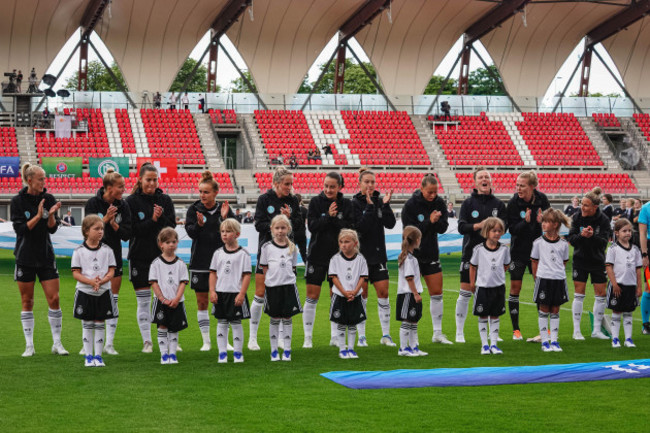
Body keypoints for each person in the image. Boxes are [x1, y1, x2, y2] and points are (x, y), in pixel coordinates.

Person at [11, 163, 67, 357]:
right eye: (41, 178)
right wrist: (37, 215)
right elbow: (21, 230)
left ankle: (57, 343)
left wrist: (50, 216)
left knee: (55, 298)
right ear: (30, 180)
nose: (45, 182)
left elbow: (52, 228)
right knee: (27, 301)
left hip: (45, 255)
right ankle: (29, 346)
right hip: (25, 256)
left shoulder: (49, 198)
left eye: (45, 178)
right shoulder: (17, 201)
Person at [249, 166, 302, 350]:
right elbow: (259, 224)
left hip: (286, 252)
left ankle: (281, 338)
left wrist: (289, 218)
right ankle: (252, 337)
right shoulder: (265, 199)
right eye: (287, 184)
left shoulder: (293, 200)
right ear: (277, 183)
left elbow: (298, 224)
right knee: (260, 293)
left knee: (283, 295)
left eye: (291, 183)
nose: (290, 187)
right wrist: (278, 223)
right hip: (267, 251)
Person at [126, 162, 176, 353]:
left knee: (166, 298)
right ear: (140, 179)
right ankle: (147, 341)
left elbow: (172, 228)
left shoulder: (165, 199)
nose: (152, 183)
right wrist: (152, 220)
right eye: (148, 180)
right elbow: (131, 231)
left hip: (163, 259)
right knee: (144, 301)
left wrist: (161, 218)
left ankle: (170, 337)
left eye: (155, 180)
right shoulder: (130, 202)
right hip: (139, 257)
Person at [302, 172, 354, 348]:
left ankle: (335, 336)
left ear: (340, 187)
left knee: (336, 296)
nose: (328, 189)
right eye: (326, 186)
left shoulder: (346, 204)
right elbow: (312, 226)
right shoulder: (316, 202)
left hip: (338, 259)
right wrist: (327, 216)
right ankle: (308, 337)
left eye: (332, 186)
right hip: (316, 256)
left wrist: (334, 219)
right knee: (312, 296)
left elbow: (349, 228)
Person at [455, 167, 507, 343]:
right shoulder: (468, 204)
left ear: (490, 181)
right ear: (475, 182)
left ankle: (493, 333)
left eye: (487, 177)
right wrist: (479, 225)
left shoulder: (498, 205)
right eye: (481, 177)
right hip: (471, 253)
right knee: (465, 292)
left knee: (492, 292)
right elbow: (462, 227)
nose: (484, 179)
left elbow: (504, 227)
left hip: (493, 256)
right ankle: (459, 332)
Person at [184, 171, 234, 351]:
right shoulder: (194, 209)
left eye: (206, 192)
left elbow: (233, 233)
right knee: (202, 302)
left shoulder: (225, 209)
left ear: (215, 193)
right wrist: (199, 225)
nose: (202, 195)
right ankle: (206, 341)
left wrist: (224, 218)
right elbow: (191, 233)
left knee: (223, 302)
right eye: (200, 192)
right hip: (200, 261)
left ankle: (224, 340)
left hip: (222, 263)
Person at [84, 168, 132, 355]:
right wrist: (104, 220)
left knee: (112, 299)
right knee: (91, 298)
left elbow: (127, 235)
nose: (123, 189)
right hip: (93, 257)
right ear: (109, 187)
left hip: (113, 256)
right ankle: (87, 343)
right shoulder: (92, 203)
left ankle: (109, 344)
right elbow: (88, 232)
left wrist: (113, 224)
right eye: (120, 187)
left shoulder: (124, 206)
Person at [401, 173, 451, 345]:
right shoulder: (410, 205)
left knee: (437, 293)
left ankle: (437, 333)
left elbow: (444, 227)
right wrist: (429, 221)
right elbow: (409, 232)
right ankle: (407, 332)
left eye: (435, 192)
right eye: (429, 192)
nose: (433, 195)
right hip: (413, 256)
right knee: (411, 294)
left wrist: (436, 222)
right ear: (421, 188)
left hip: (431, 254)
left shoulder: (439, 203)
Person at [352, 168, 396, 346]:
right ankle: (361, 336)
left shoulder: (380, 200)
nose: (370, 185)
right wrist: (370, 208)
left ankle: (386, 335)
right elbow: (359, 228)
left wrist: (385, 206)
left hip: (378, 256)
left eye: (372, 182)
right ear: (360, 183)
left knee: (384, 293)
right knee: (362, 295)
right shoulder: (354, 203)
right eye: (366, 182)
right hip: (361, 257)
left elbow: (391, 224)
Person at [506, 171, 550, 340]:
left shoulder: (542, 199)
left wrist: (542, 223)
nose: (518, 188)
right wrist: (525, 222)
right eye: (517, 185)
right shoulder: (513, 203)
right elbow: (511, 230)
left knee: (540, 287)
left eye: (522, 185)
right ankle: (516, 330)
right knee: (515, 288)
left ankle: (544, 330)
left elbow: (550, 224)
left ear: (532, 187)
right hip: (518, 252)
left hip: (538, 252)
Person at [71, 215, 117, 367]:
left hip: (103, 291)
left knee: (100, 322)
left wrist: (101, 281)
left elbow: (111, 271)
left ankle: (98, 356)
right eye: (96, 229)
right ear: (86, 231)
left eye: (102, 229)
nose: (100, 232)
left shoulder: (107, 250)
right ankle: (88, 356)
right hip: (85, 292)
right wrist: (91, 282)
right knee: (87, 323)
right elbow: (76, 273)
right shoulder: (78, 251)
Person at [567, 187, 611, 340]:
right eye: (581, 204)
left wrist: (591, 237)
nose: (582, 208)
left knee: (601, 295)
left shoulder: (604, 220)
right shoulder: (577, 216)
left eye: (586, 205)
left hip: (598, 261)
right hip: (580, 260)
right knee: (579, 294)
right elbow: (571, 239)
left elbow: (604, 243)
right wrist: (581, 235)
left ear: (595, 207)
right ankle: (576, 331)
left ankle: (596, 331)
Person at [259, 215, 301, 361]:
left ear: (288, 229)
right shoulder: (266, 247)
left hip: (288, 287)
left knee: (287, 318)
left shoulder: (292, 247)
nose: (280, 231)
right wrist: (271, 281)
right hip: (273, 288)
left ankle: (287, 350)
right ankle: (274, 350)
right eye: (277, 228)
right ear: (272, 229)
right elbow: (264, 268)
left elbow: (293, 267)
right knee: (275, 318)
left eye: (283, 228)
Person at [209, 218, 252, 363]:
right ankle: (222, 353)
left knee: (236, 322)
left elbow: (246, 275)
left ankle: (238, 353)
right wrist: (212, 291)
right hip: (220, 293)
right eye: (222, 231)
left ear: (237, 234)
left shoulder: (243, 254)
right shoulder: (217, 253)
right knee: (221, 322)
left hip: (235, 293)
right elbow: (213, 273)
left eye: (228, 231)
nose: (224, 234)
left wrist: (241, 293)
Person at [531, 208, 571, 352]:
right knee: (544, 309)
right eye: (544, 221)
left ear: (555, 224)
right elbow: (534, 261)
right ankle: (545, 341)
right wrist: (537, 277)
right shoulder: (538, 242)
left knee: (555, 309)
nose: (544, 224)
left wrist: (556, 271)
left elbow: (564, 261)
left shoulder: (563, 244)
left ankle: (554, 340)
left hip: (559, 279)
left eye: (547, 222)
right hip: (544, 279)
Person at [469, 217, 509, 355]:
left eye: (499, 231)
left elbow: (506, 264)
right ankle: (484, 345)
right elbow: (473, 267)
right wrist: (472, 282)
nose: (497, 233)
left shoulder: (504, 249)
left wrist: (498, 275)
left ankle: (494, 344)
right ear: (486, 232)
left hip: (498, 288)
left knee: (495, 316)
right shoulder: (478, 249)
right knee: (483, 316)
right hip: (483, 287)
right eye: (494, 231)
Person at [149, 228, 188, 365]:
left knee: (174, 328)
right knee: (162, 327)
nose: (171, 244)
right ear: (161, 244)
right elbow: (153, 282)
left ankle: (173, 354)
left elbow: (183, 283)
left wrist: (176, 299)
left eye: (174, 241)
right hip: (161, 302)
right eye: (167, 242)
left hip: (177, 302)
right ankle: (164, 354)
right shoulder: (156, 263)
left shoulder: (181, 263)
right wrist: (162, 299)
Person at [329, 229, 367, 359]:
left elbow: (362, 277)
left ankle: (351, 348)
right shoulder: (335, 259)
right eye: (341, 242)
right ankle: (342, 349)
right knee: (341, 323)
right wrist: (344, 292)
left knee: (352, 323)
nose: (343, 245)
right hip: (340, 295)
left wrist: (355, 292)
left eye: (347, 242)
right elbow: (334, 277)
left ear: (355, 243)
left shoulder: (361, 259)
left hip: (355, 296)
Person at [606, 218, 642, 348]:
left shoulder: (636, 250)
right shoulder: (613, 249)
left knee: (628, 312)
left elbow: (638, 270)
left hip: (631, 286)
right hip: (618, 286)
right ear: (616, 233)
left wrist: (639, 287)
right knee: (616, 311)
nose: (627, 233)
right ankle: (615, 339)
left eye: (629, 231)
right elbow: (609, 267)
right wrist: (614, 283)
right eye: (624, 231)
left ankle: (628, 339)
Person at [396, 226, 427, 356]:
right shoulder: (408, 259)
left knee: (414, 320)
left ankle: (414, 347)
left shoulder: (412, 258)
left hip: (413, 293)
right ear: (417, 240)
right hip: (408, 294)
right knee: (407, 320)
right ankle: (403, 348)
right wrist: (415, 293)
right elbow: (409, 278)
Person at [636, 198, 650, 334]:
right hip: (649, 249)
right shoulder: (646, 208)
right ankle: (646, 324)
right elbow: (642, 233)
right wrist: (644, 254)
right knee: (649, 287)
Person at [293, 194, 308, 265]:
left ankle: (291, 269)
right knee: (304, 253)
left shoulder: (291, 209)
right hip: (302, 233)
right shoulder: (304, 209)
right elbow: (307, 221)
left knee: (290, 253)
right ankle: (308, 271)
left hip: (293, 233)